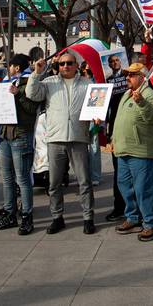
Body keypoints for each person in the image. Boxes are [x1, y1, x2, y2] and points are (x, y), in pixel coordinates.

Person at [25, 51, 96, 235]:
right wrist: (36, 73)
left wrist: (97, 118)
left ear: (76, 65)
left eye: (70, 63)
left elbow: (97, 106)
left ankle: (88, 218)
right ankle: (57, 217)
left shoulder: (87, 84)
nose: (66, 66)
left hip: (78, 138)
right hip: (55, 139)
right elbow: (32, 94)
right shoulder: (49, 83)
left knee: (84, 181)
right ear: (58, 66)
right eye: (63, 63)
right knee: (54, 183)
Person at [0, 54, 40, 236]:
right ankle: (10, 212)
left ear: (17, 68)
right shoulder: (7, 82)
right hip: (6, 134)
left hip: (21, 134)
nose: (8, 69)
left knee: (23, 178)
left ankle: (27, 216)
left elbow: (31, 109)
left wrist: (17, 94)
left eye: (9, 66)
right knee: (7, 177)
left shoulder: (29, 83)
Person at [112, 62, 153, 242]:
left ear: (142, 77)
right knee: (124, 186)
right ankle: (133, 218)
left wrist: (141, 102)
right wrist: (114, 140)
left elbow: (152, 117)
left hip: (140, 151)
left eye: (131, 75)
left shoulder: (149, 95)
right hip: (123, 150)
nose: (127, 78)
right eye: (127, 75)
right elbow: (120, 120)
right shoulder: (126, 94)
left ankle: (151, 224)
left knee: (144, 189)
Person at [105, 52, 128, 221]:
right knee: (118, 171)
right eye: (111, 61)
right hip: (114, 130)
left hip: (131, 130)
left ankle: (134, 208)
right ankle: (119, 206)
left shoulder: (129, 80)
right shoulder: (106, 81)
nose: (114, 63)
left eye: (117, 60)